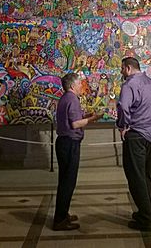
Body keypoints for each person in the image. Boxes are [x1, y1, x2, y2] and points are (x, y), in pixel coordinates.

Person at [53, 72, 102, 231]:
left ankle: (62, 214)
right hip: (69, 143)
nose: (82, 86)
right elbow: (75, 124)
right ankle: (60, 220)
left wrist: (86, 115)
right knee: (68, 182)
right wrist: (92, 119)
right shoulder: (72, 99)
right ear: (73, 85)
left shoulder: (65, 98)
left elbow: (72, 118)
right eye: (80, 83)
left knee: (65, 181)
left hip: (64, 143)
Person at [117, 57, 151, 233]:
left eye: (121, 69)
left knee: (136, 177)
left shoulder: (129, 85)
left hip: (136, 134)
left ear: (128, 68)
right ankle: (145, 210)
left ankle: (146, 218)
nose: (121, 72)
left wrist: (122, 126)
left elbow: (122, 106)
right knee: (145, 176)